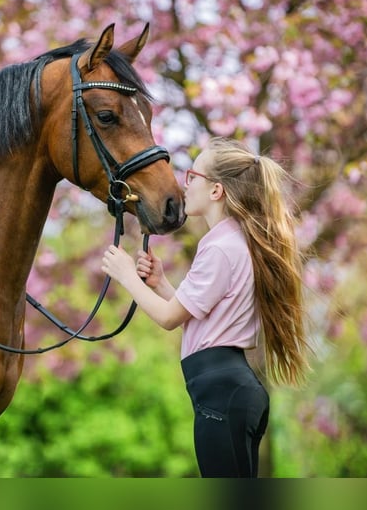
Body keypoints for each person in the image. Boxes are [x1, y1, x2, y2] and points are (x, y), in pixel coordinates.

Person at [101, 136, 310, 478]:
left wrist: (128, 276)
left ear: (216, 191)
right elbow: (199, 316)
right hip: (230, 387)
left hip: (222, 392)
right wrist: (161, 284)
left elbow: (169, 319)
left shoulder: (220, 248)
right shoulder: (233, 241)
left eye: (192, 177)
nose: (185, 184)